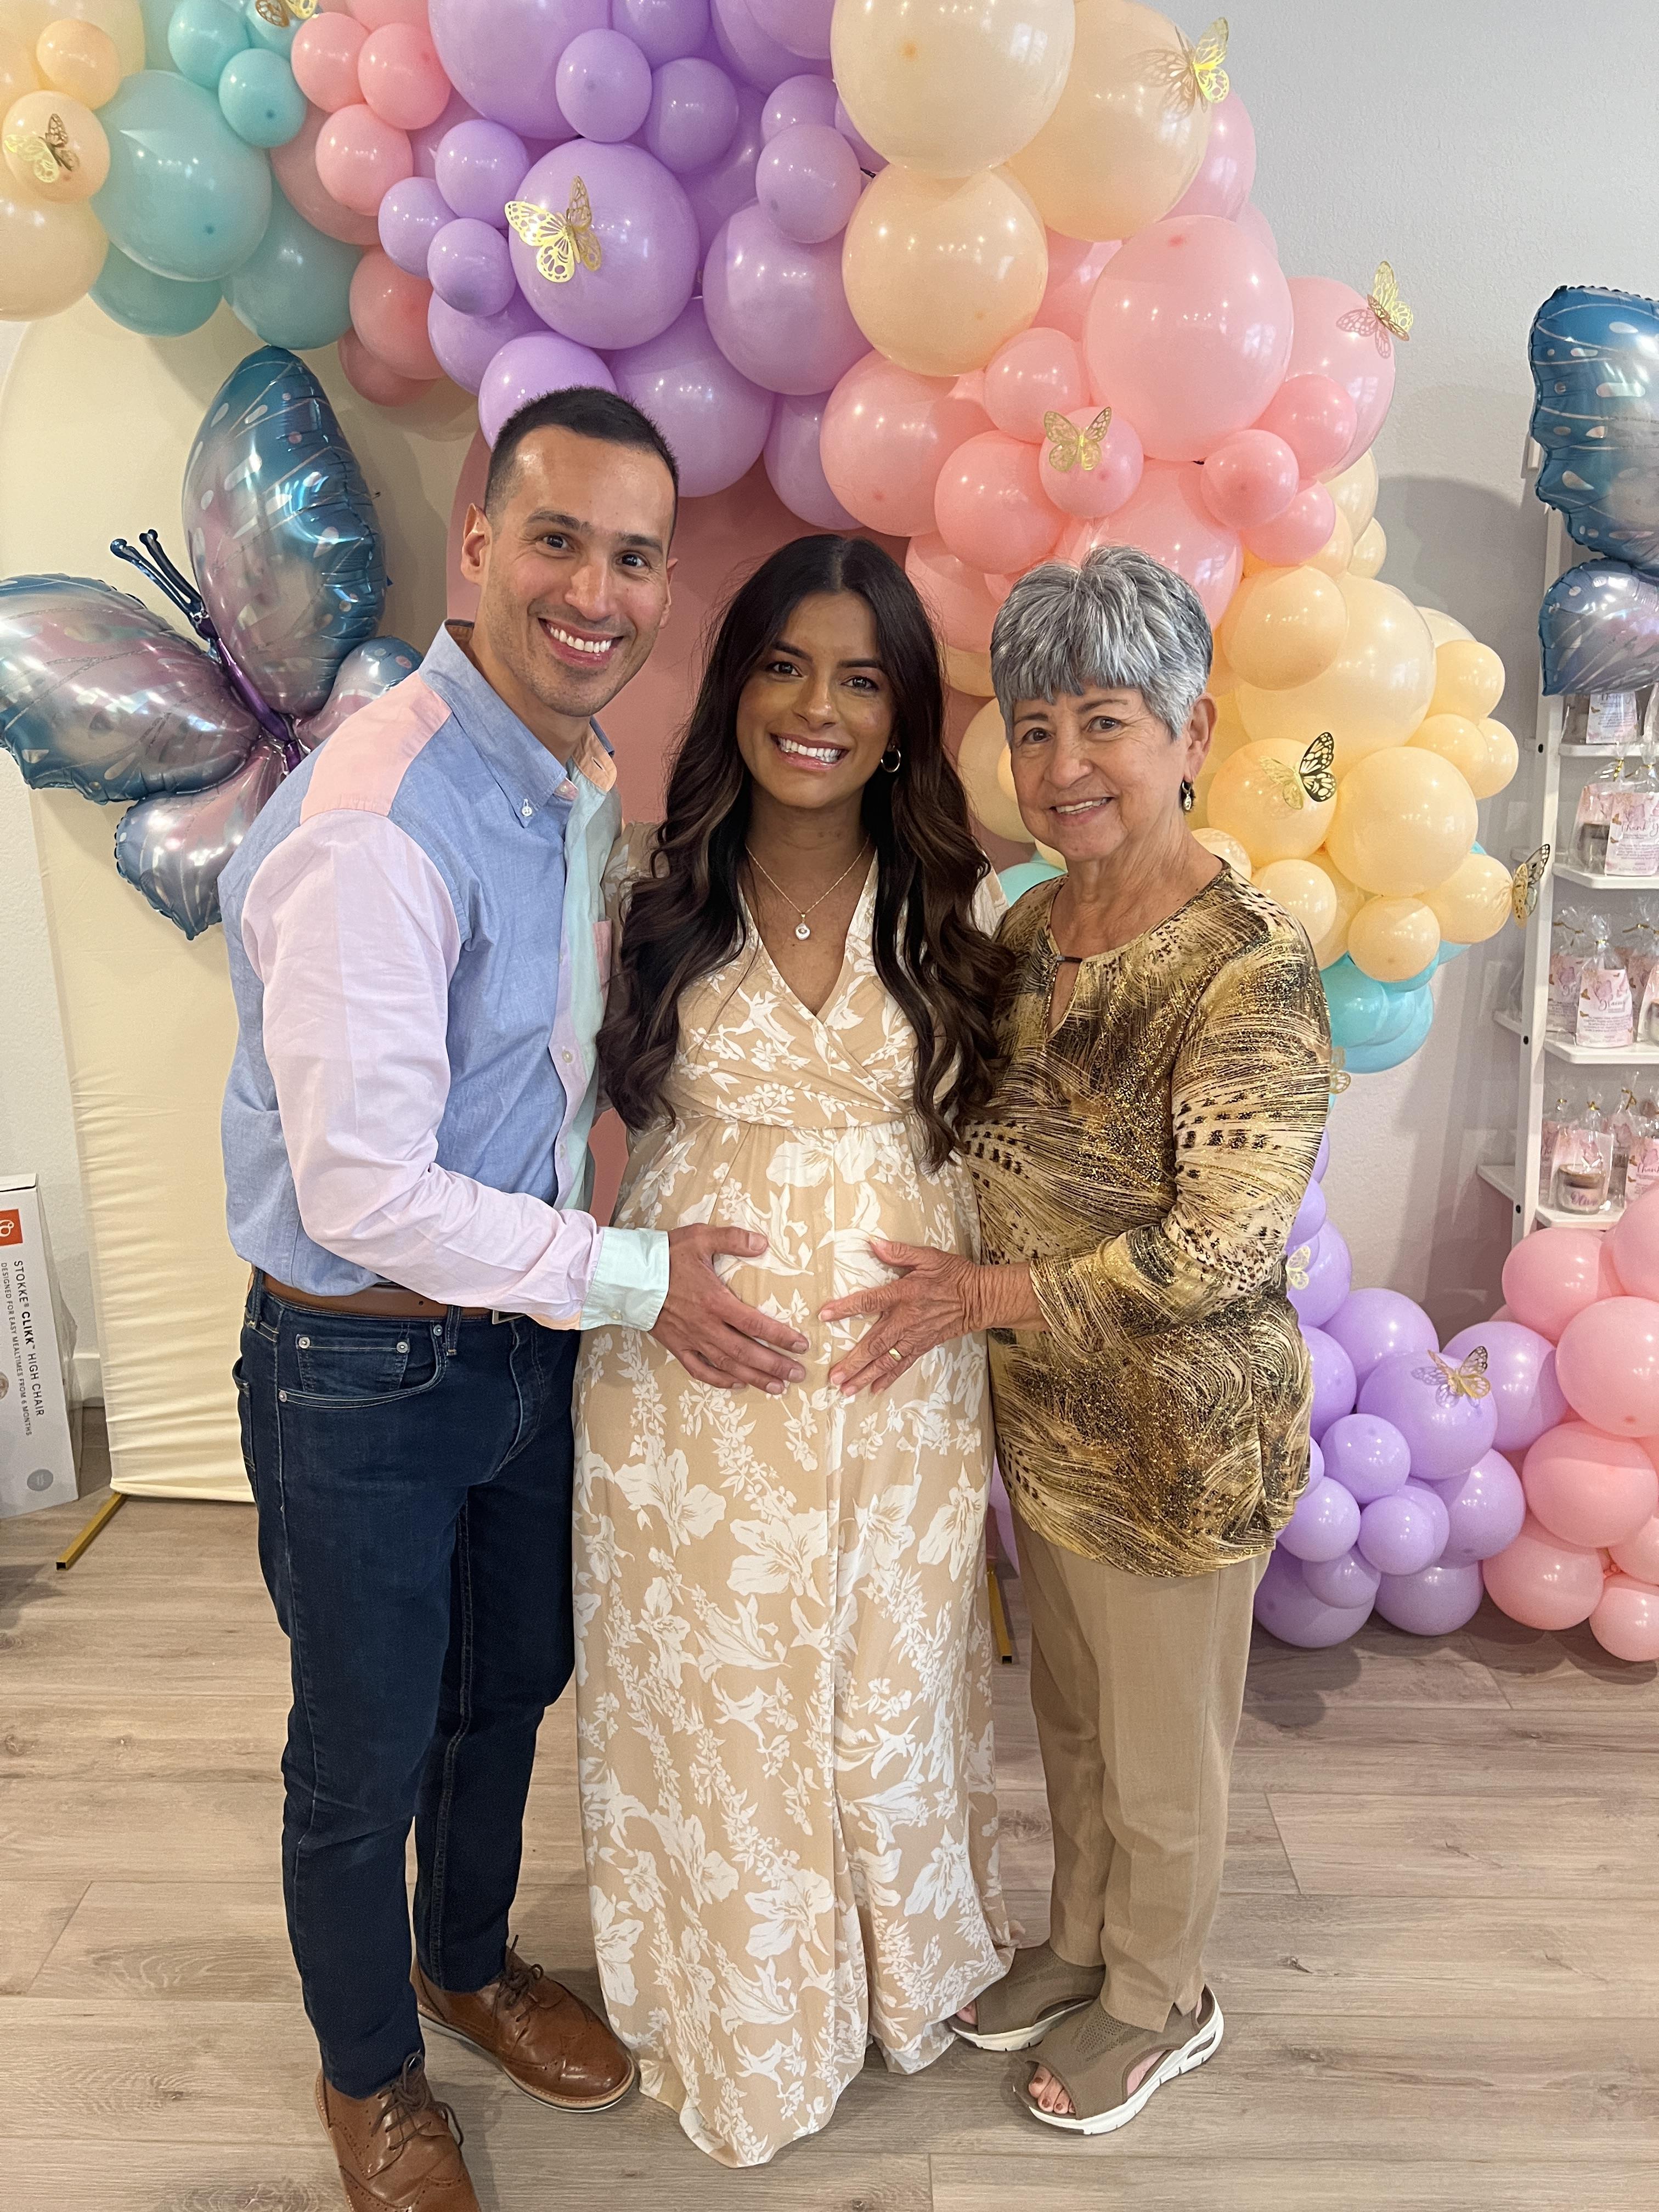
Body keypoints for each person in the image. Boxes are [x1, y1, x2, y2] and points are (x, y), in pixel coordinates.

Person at [220, 387, 810, 2212]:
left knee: (512, 1687)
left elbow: (546, 1060)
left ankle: (463, 1961)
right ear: (476, 546)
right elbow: (364, 1189)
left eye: (637, 557)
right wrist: (634, 1277)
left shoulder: (572, 779)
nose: (599, 591)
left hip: (516, 1343)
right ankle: (368, 2077)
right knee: (368, 1739)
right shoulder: (379, 818)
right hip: (360, 1370)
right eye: (557, 539)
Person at [822, 546, 1330, 2138]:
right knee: (1076, 1723)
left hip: (1176, 1434)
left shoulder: (1247, 963)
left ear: (1186, 731)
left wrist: (987, 1299)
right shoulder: (1032, 924)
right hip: (1044, 1421)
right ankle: (1082, 1942)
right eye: (1034, 731)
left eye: (1103, 723)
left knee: (1166, 1747)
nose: (1063, 769)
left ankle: (1161, 1996)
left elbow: (1225, 1242)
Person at [574, 533, 1013, 2166]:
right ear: (735, 683)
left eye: (859, 677)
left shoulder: (965, 903)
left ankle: (903, 1968)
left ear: (904, 714)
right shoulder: (643, 884)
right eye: (782, 665)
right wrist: (623, 1281)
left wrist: (979, 1290)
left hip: (903, 1385)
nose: (815, 708)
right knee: (724, 1687)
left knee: (892, 1672)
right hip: (691, 1370)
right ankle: (742, 1996)